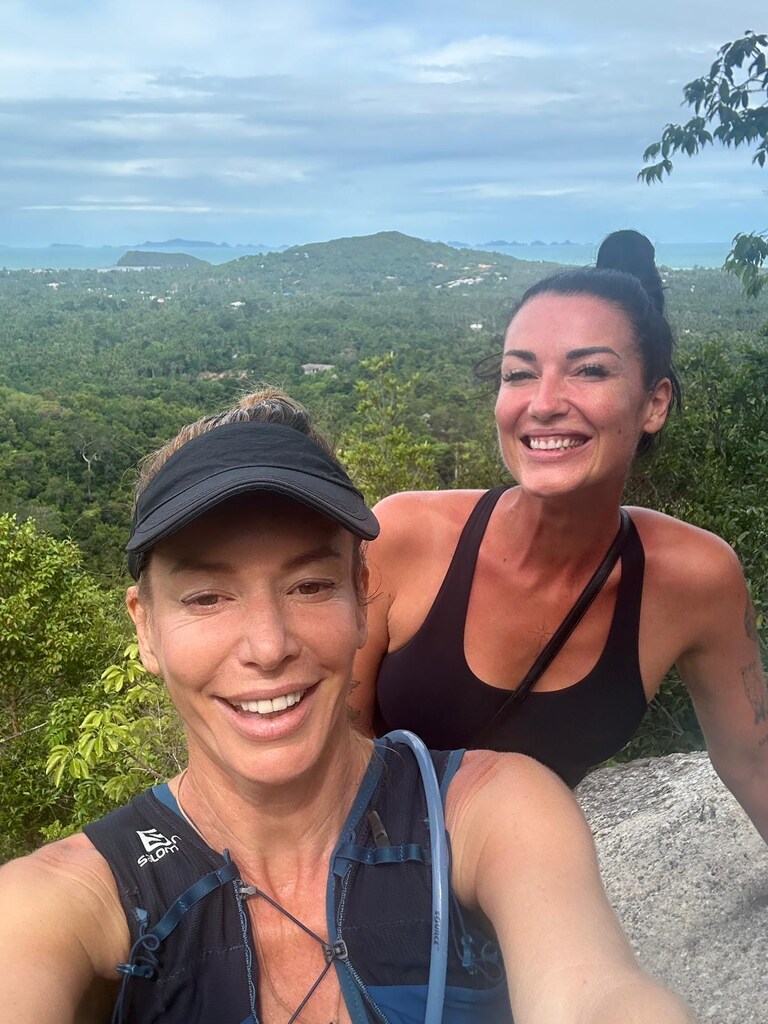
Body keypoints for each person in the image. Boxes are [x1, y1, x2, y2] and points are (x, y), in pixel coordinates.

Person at [0, 389, 694, 1024]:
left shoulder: (489, 813)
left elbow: (595, 992)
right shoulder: (61, 904)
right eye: (207, 597)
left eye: (309, 585)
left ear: (364, 598)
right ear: (145, 627)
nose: (268, 646)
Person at [351, 230, 768, 841]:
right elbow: (334, 750)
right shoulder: (404, 535)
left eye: (590, 370)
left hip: (525, 884)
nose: (543, 403)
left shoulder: (695, 577)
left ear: (654, 403)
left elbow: (753, 760)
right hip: (373, 879)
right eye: (518, 374)